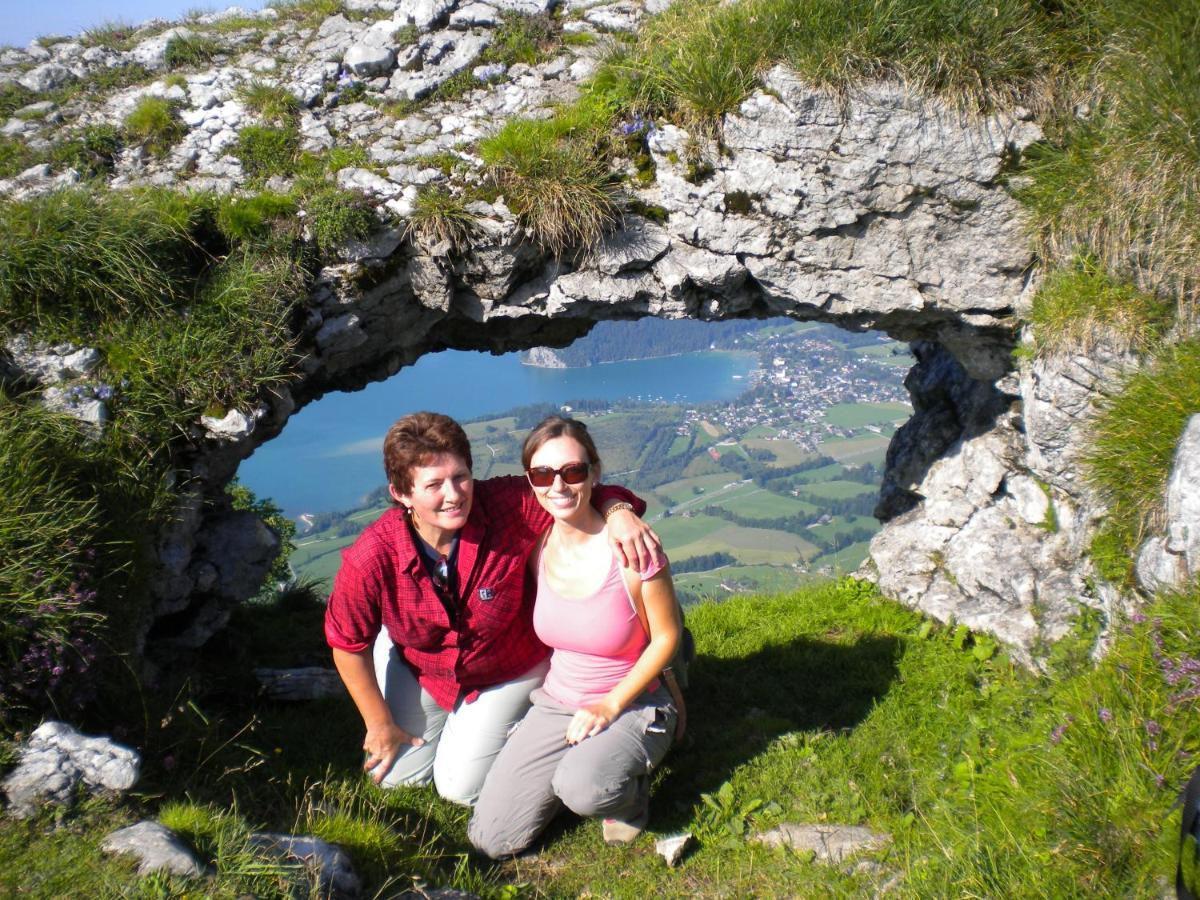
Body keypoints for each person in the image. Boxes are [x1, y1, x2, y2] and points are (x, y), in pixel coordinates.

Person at [324, 411, 662, 806]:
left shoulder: (506, 507)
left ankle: (529, 738)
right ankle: (445, 713)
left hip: (508, 666)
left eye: (460, 476)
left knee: (459, 788)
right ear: (401, 494)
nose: (454, 495)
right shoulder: (372, 557)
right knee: (399, 782)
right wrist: (378, 722)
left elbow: (569, 485)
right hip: (424, 668)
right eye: (433, 484)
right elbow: (348, 642)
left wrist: (619, 513)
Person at [468, 415, 682, 857]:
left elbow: (666, 638)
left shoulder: (633, 550)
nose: (558, 486)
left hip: (634, 699)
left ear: (595, 474)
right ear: (531, 480)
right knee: (492, 840)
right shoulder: (537, 548)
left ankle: (627, 796)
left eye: (573, 471)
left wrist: (610, 705)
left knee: (584, 789)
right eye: (543, 474)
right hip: (557, 702)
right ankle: (580, 771)